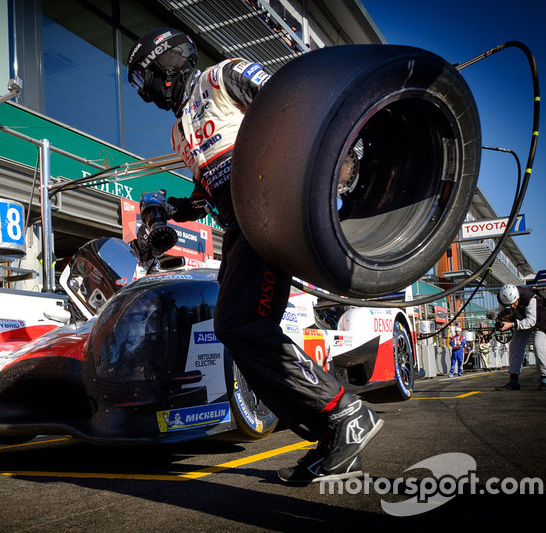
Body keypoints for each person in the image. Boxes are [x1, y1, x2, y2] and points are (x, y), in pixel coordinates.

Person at [126, 28, 383, 484]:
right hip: (239, 225)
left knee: (241, 325)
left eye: (142, 79)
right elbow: (211, 189)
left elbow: (292, 102)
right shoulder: (177, 133)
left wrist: (346, 152)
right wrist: (173, 210)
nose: (144, 93)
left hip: (269, 214)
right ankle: (332, 435)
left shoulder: (222, 76)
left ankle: (344, 414)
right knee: (238, 330)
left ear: (163, 63)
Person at [494, 284, 546, 390]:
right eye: (508, 305)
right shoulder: (502, 298)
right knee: (515, 346)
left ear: (518, 297)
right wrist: (498, 319)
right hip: (521, 319)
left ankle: (544, 379)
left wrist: (512, 324)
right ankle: (513, 381)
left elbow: (531, 321)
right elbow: (501, 312)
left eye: (513, 304)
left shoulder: (529, 297)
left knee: (538, 345)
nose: (511, 307)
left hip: (539, 320)